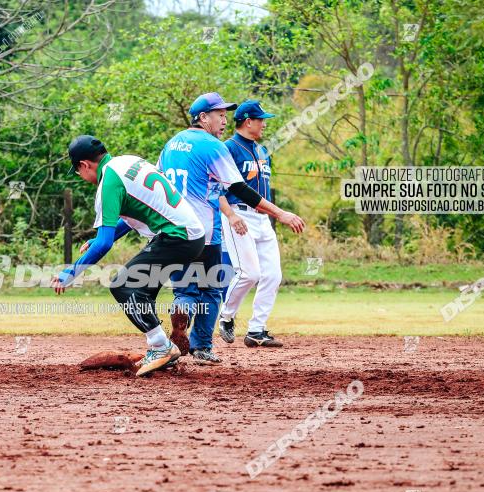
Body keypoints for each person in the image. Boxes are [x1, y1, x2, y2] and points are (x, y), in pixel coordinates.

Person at [157, 92, 304, 365]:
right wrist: (279, 212)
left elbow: (157, 185)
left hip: (174, 231)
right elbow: (238, 189)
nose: (224, 120)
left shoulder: (172, 144)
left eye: (226, 114)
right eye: (219, 114)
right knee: (211, 289)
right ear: (203, 117)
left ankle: (181, 314)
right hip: (206, 232)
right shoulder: (213, 146)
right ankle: (202, 347)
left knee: (185, 291)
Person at [52, 135, 205, 376]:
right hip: (191, 235)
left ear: (84, 164)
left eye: (78, 171)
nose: (81, 177)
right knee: (141, 292)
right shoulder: (126, 162)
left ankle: (161, 347)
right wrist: (105, 236)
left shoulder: (108, 182)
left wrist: (72, 271)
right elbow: (131, 218)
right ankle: (165, 351)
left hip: (177, 236)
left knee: (122, 286)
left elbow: (103, 245)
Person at [219, 100, 286, 347]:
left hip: (262, 218)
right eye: (261, 119)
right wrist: (230, 215)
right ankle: (226, 317)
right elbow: (217, 187)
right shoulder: (228, 148)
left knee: (272, 275)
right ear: (248, 121)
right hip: (239, 214)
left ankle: (256, 330)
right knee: (249, 273)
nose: (264, 124)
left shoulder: (261, 150)